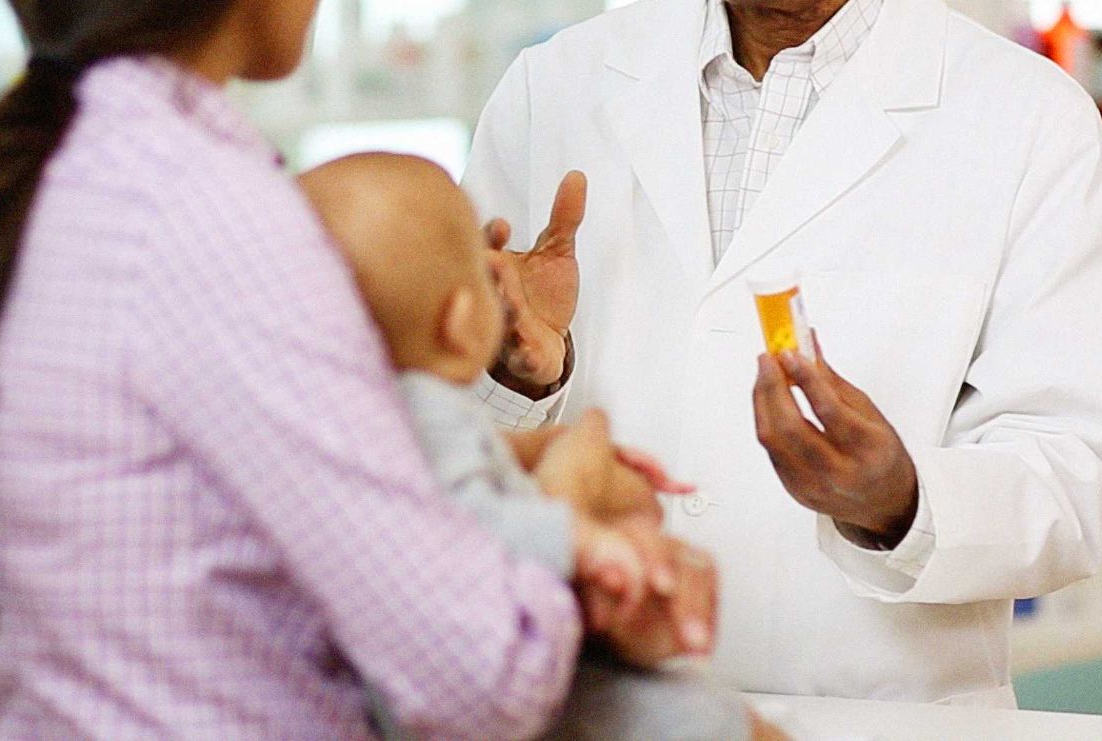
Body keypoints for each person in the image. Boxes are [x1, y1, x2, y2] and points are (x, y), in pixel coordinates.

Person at [0, 0, 714, 738]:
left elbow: (224, 524)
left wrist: (495, 466)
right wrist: (564, 509)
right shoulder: (206, 213)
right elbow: (480, 673)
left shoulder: (72, 162)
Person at [465, 0, 1102, 706]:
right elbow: (432, 435)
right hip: (594, 701)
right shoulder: (556, 87)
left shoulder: (1024, 122)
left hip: (879, 714)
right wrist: (518, 376)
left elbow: (1072, 482)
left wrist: (899, 499)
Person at [298, 153, 786, 741]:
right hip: (500, 678)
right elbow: (460, 524)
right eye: (486, 277)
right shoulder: (428, 411)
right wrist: (582, 539)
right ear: (460, 321)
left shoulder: (359, 416)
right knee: (694, 716)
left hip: (430, 679)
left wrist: (538, 455)